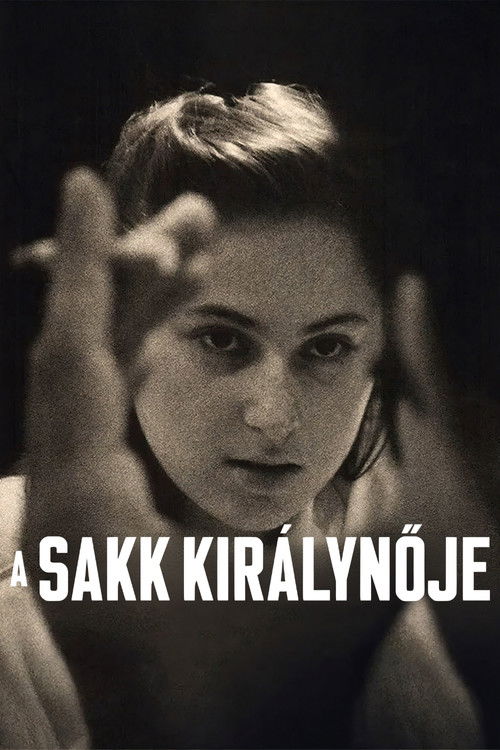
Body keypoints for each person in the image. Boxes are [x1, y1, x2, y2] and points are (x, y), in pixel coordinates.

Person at [0, 83, 498, 749]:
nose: (274, 416)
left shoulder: (433, 595)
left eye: (328, 347)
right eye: (222, 339)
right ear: (124, 319)